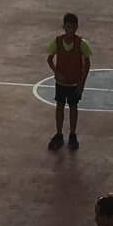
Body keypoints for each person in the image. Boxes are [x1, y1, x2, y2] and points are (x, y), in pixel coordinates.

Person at [46, 13, 92, 151]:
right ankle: (59, 133)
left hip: (74, 83)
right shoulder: (57, 41)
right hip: (61, 83)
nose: (69, 30)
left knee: (73, 107)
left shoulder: (82, 43)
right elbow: (49, 59)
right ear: (64, 27)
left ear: (76, 27)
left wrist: (82, 84)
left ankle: (72, 134)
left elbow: (87, 64)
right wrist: (56, 72)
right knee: (59, 106)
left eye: (72, 27)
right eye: (67, 27)